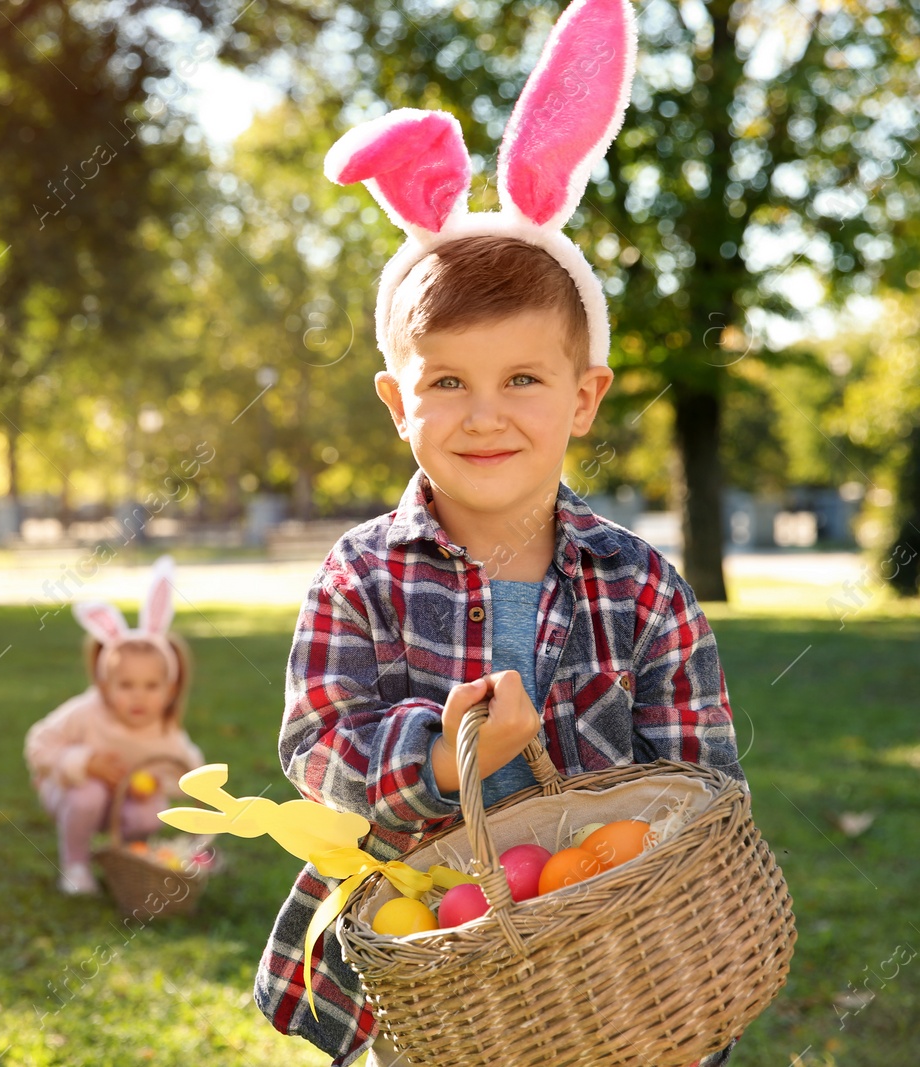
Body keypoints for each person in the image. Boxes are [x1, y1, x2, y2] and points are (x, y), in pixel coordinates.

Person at [252, 1, 745, 1063]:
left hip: (612, 961)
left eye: (523, 377)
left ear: (583, 395)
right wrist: (438, 755)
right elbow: (314, 746)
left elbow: (704, 782)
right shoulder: (362, 574)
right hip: (431, 953)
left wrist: (641, 893)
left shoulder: (642, 586)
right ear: (397, 401)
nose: (485, 413)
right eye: (447, 382)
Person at [25, 556, 205, 895]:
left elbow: (189, 773)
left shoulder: (165, 731)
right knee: (88, 794)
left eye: (151, 686)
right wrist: (82, 762)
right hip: (69, 792)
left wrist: (156, 783)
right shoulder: (86, 711)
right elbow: (39, 743)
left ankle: (126, 861)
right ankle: (75, 864)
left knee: (149, 812)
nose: (139, 698)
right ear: (105, 684)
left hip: (122, 802)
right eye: (125, 685)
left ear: (170, 689)